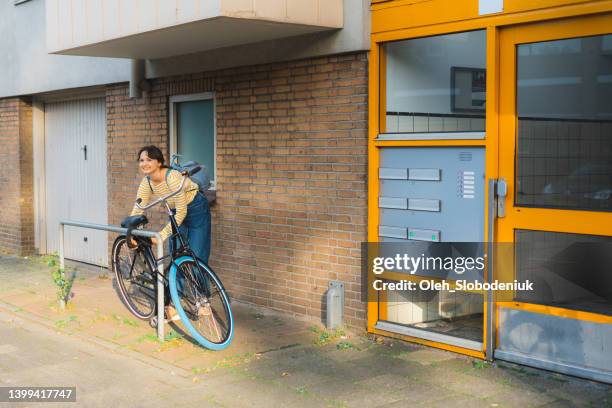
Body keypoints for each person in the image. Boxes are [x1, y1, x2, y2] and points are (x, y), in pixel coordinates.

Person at [130, 145, 212, 318]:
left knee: (197, 255)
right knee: (176, 256)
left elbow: (182, 212)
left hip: (195, 208)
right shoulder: (147, 182)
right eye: (141, 160)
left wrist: (161, 236)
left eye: (149, 160)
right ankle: (175, 301)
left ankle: (202, 299)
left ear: (159, 162)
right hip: (175, 212)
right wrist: (130, 231)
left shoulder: (172, 177)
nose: (144, 163)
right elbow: (138, 208)